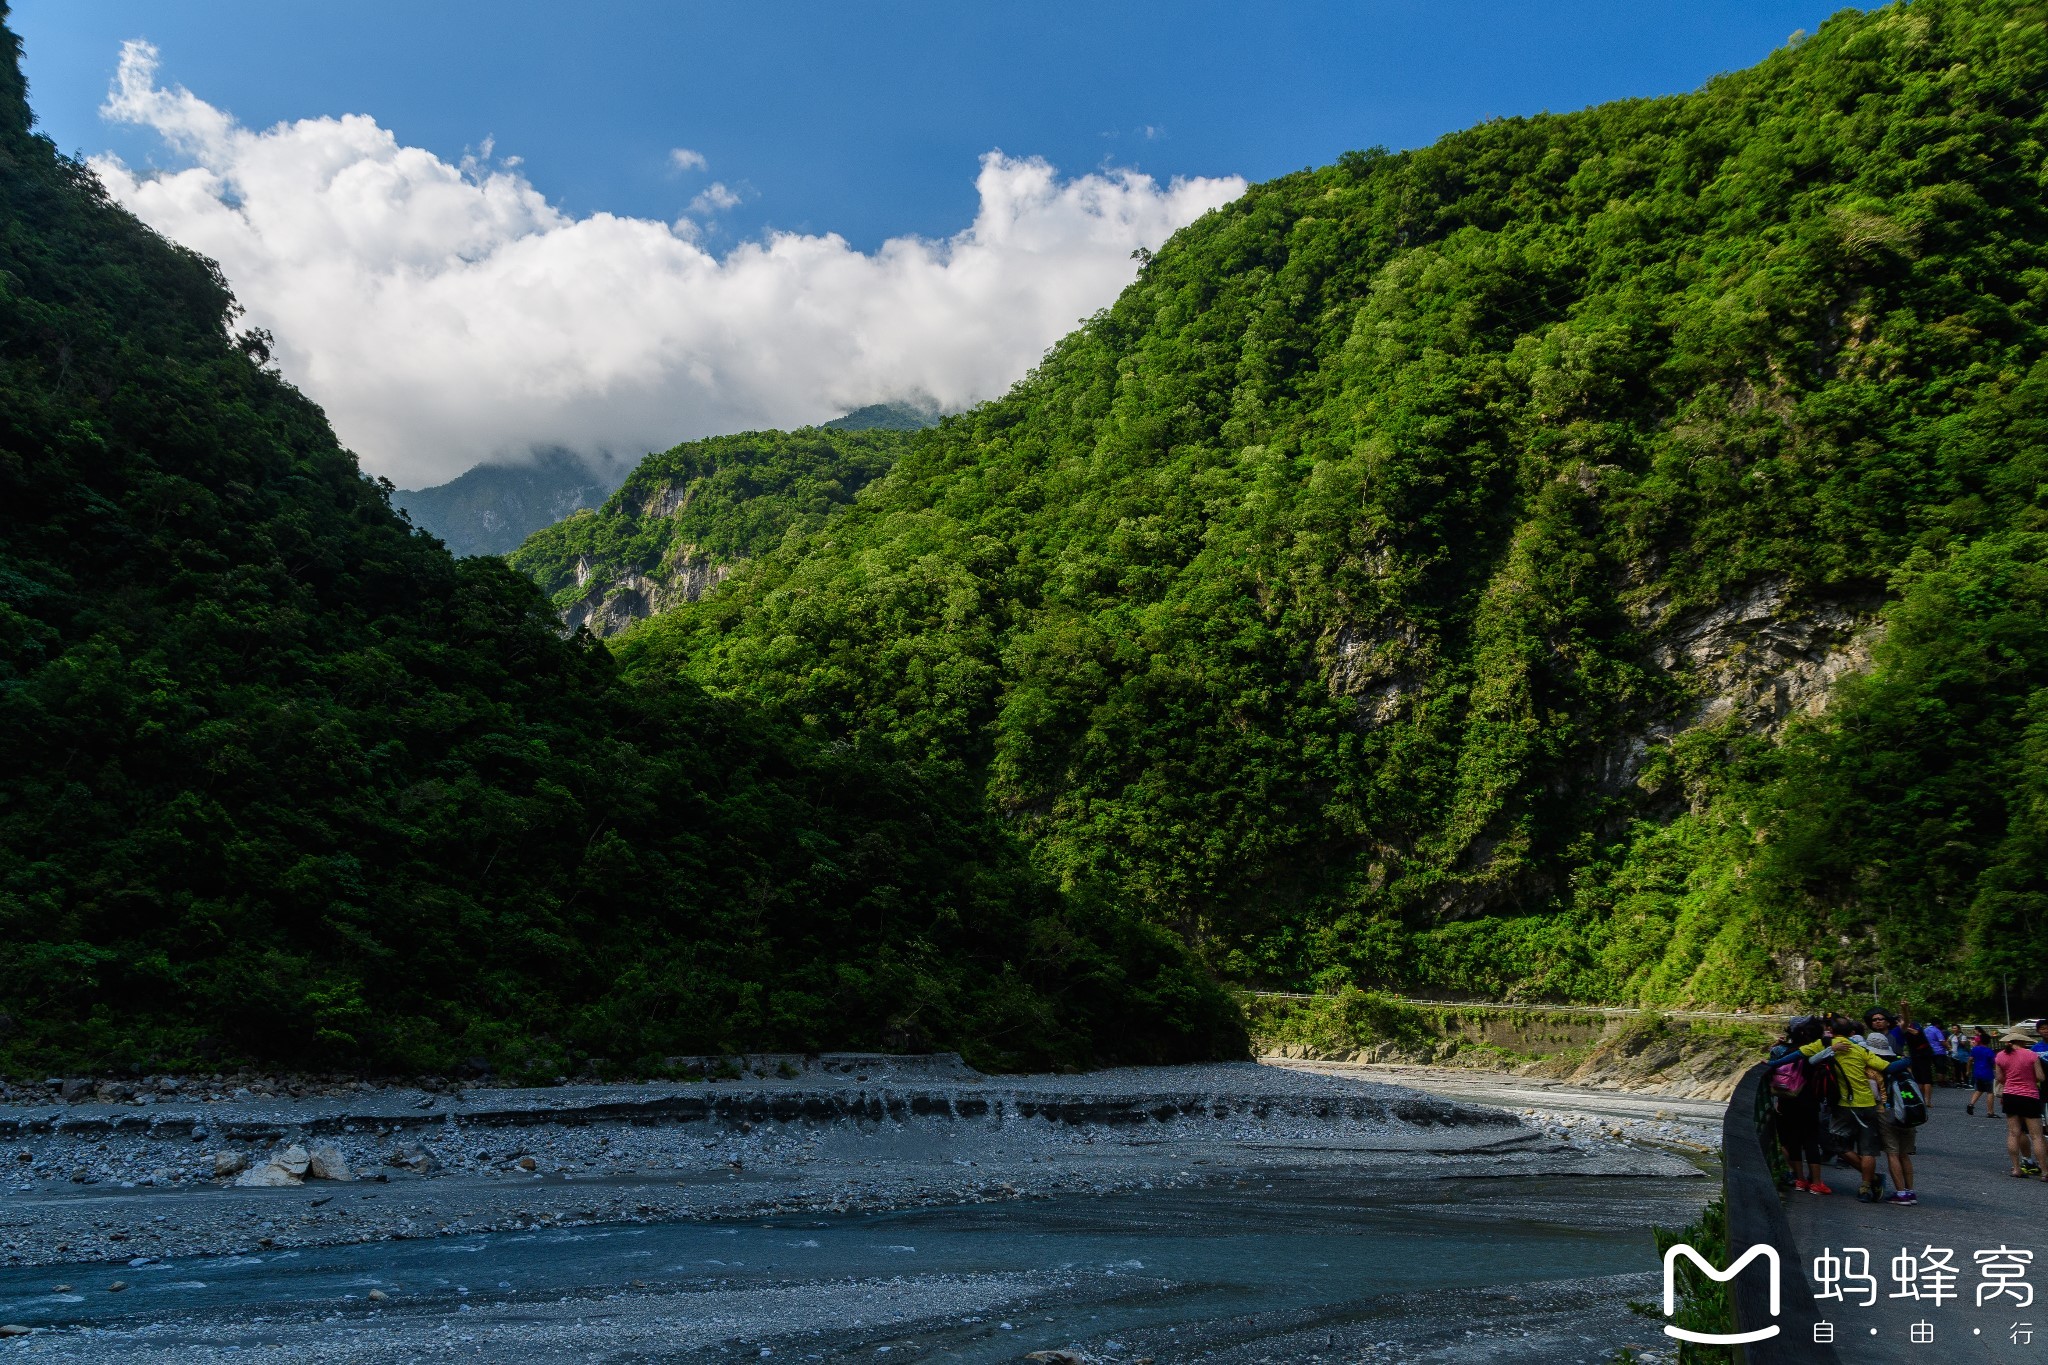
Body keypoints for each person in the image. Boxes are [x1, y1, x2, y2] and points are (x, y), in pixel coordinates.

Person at [1800, 1015, 1887, 1201]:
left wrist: (1774, 1063)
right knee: (1868, 1149)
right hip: (1869, 1104)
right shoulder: (1860, 1049)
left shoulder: (1825, 1045)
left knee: (1838, 1144)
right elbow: (1885, 1066)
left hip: (1844, 1105)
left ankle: (1871, 1181)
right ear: (1851, 1032)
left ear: (1830, 1030)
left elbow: (1806, 1059)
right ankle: (1866, 1187)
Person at [1769, 1018, 1830, 1195]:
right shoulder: (1817, 1051)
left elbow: (1771, 1060)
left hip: (1786, 1099)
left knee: (1793, 1140)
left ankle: (1799, 1180)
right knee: (1810, 1140)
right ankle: (1816, 1182)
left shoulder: (1780, 1050)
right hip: (1809, 1100)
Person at [1862, 1032, 1920, 1205]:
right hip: (1908, 1112)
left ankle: (1900, 1193)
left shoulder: (1872, 1068)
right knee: (1905, 1154)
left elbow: (1875, 1095)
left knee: (1892, 1153)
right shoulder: (1901, 1063)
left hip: (1886, 1112)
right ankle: (1910, 1192)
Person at [1994, 1028, 2048, 1181]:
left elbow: (1999, 1077)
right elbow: (2040, 1077)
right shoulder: (2031, 1055)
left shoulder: (2000, 1056)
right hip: (2029, 1096)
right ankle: (2045, 1171)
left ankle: (2016, 1168)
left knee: (2013, 1133)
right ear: (2023, 1040)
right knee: (2037, 1136)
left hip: (2010, 1095)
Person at [1970, 1028, 1999, 1115]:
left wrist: (1968, 1070)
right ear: (1988, 1042)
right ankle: (1990, 1111)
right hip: (1987, 1073)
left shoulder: (1975, 1049)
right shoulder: (1989, 1051)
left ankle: (1971, 1104)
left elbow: (1970, 1059)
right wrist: (1997, 1072)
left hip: (1977, 1072)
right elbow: (1994, 1063)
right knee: (1990, 1092)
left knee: (1979, 1089)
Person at [1922, 1018, 1949, 1089]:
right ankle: (1941, 1082)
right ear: (1938, 1024)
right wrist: (1949, 1047)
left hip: (1928, 1051)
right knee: (1940, 1067)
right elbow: (1942, 1041)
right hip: (1939, 1051)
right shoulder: (1937, 1030)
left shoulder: (1925, 1030)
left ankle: (1929, 1081)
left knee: (1929, 1067)